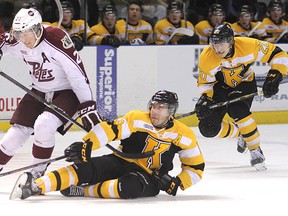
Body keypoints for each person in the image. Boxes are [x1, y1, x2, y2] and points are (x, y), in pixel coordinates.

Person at [10, 90, 205, 200]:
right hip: (120, 161)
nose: (154, 111)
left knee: (129, 187)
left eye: (161, 108)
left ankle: (84, 190)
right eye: (153, 106)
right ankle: (36, 186)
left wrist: (178, 182)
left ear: (171, 112)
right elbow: (111, 130)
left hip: (148, 176)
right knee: (83, 167)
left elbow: (195, 167)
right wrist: (88, 144)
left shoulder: (184, 134)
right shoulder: (137, 118)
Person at [0, 8, 102, 177]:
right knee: (16, 132)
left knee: (44, 125)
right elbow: (3, 42)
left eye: (26, 33)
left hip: (67, 93)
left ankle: (37, 173)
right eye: (19, 34)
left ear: (37, 29)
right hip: (39, 90)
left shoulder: (57, 39)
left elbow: (77, 75)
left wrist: (88, 106)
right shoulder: (20, 39)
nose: (23, 39)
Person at [194, 23, 287, 171]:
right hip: (220, 88)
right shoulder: (207, 56)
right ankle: (241, 133)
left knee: (238, 111)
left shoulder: (248, 45)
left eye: (222, 44)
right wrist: (205, 98)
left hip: (244, 84)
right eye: (214, 44)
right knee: (208, 128)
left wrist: (276, 73)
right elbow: (206, 82)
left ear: (231, 41)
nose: (218, 49)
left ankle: (255, 149)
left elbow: (278, 54)